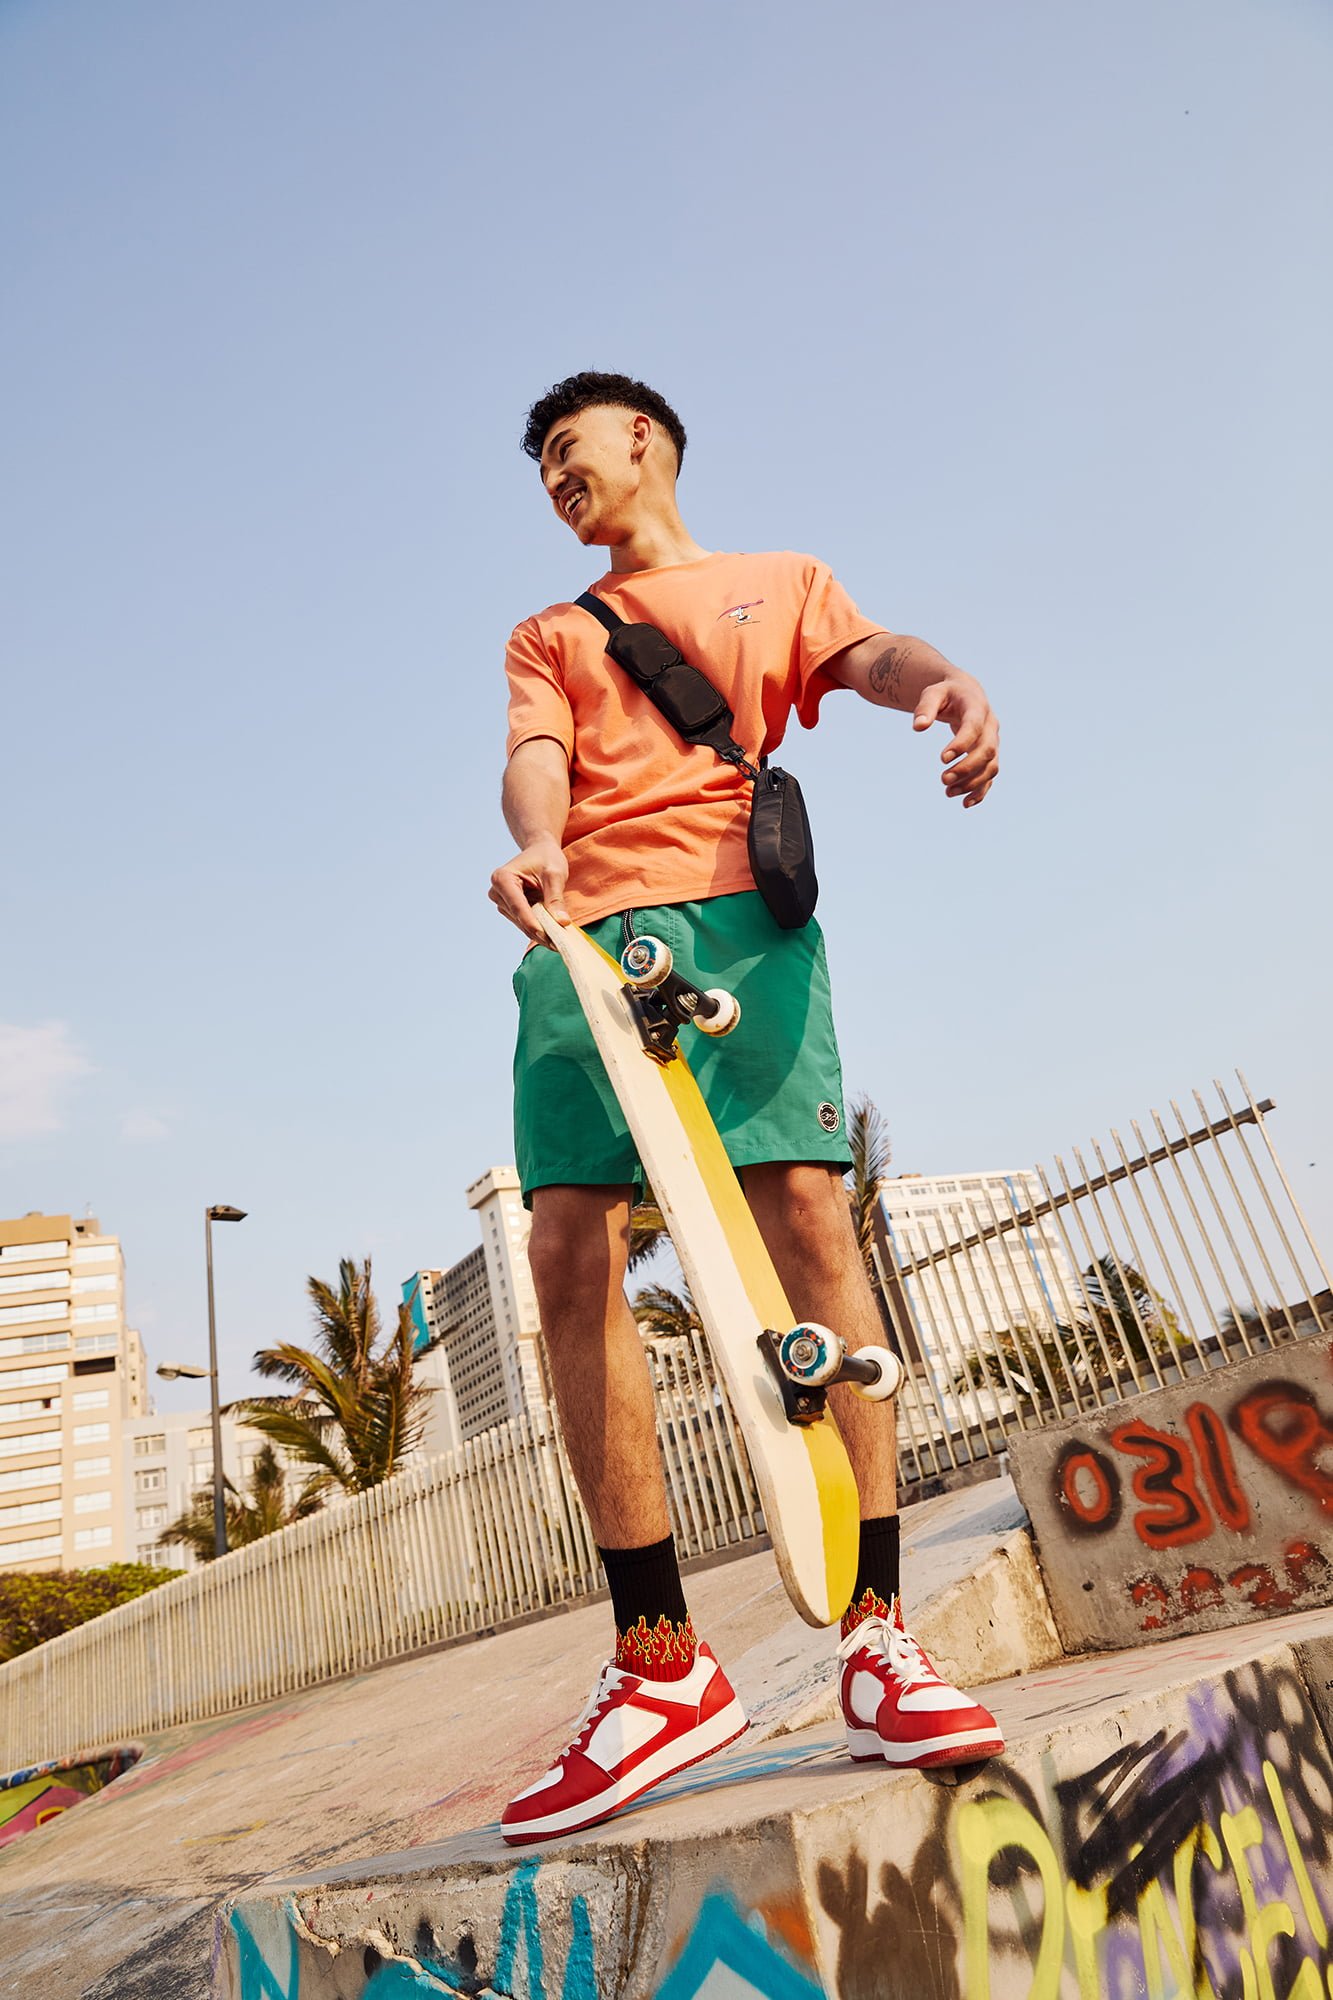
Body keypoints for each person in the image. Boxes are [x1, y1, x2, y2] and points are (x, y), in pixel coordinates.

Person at [489, 371, 1004, 1846]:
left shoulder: (776, 580)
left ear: (642, 438)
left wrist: (946, 681)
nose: (554, 476)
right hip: (582, 941)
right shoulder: (548, 632)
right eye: (538, 467)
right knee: (566, 1250)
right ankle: (660, 1664)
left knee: (810, 1226)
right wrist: (537, 848)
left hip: (744, 924)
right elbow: (537, 756)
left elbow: (870, 656)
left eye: (569, 447)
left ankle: (878, 1638)